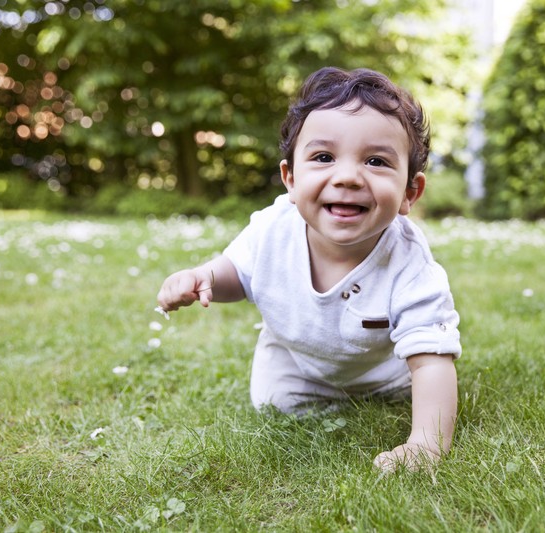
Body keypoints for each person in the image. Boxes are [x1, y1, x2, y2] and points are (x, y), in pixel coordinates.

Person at [156, 67, 461, 472]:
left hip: (384, 372)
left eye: (375, 161)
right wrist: (206, 278)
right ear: (291, 179)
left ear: (410, 192)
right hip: (295, 361)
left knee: (423, 386)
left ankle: (378, 394)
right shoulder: (272, 230)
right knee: (272, 403)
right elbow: (241, 274)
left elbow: (430, 359)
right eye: (323, 157)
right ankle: (317, 390)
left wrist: (426, 443)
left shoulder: (410, 265)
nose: (348, 177)